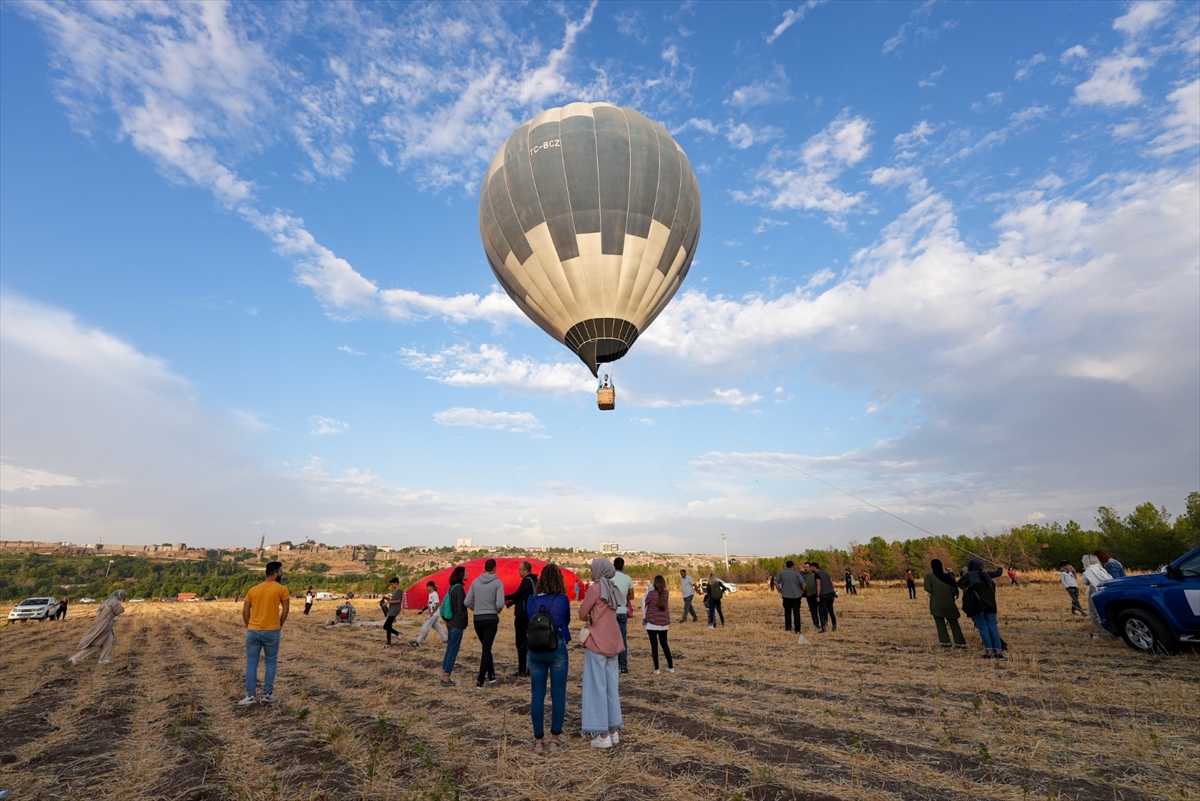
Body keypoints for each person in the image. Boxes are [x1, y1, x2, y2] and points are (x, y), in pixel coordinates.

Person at [526, 563, 571, 754]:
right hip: (556, 648)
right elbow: (566, 621)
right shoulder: (562, 599)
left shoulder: (531, 600)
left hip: (535, 650)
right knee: (558, 695)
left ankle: (538, 741)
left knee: (537, 695)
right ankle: (554, 740)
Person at [579, 558, 624, 748]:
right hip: (614, 642)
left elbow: (582, 613)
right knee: (611, 688)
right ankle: (613, 730)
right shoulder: (613, 588)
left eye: (591, 569)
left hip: (597, 642)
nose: (590, 572)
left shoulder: (596, 588)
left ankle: (602, 734)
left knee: (597, 686)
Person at [239, 561, 290, 704]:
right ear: (275, 573)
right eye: (280, 572)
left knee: (251, 663)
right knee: (271, 661)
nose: (281, 574)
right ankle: (267, 693)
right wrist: (279, 624)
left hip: (253, 630)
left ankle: (250, 695)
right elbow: (285, 610)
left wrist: (248, 625)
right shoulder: (282, 589)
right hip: (272, 631)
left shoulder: (253, 590)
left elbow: (245, 611)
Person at [465, 558, 506, 689]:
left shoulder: (475, 582)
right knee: (486, 648)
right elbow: (500, 603)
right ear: (494, 568)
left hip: (477, 619)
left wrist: (475, 609)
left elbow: (467, 601)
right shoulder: (498, 583)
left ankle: (491, 675)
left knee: (486, 647)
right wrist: (495, 610)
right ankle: (480, 680)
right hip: (491, 619)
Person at [957, 559, 1005, 659]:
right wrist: (1000, 567)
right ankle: (998, 652)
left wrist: (965, 573)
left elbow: (960, 583)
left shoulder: (970, 577)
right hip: (991, 606)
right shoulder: (987, 575)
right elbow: (998, 573)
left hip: (978, 607)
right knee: (993, 628)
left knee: (983, 629)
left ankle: (989, 652)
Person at [69, 589, 125, 664]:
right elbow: (120, 610)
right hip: (104, 625)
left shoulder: (109, 600)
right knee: (97, 643)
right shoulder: (114, 601)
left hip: (104, 624)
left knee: (109, 639)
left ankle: (103, 659)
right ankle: (76, 658)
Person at [504, 561, 538, 677]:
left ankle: (522, 669)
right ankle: (529, 667)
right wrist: (512, 603)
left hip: (522, 616)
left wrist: (504, 597)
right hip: (531, 615)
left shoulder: (527, 581)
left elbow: (518, 594)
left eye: (520, 570)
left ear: (525, 570)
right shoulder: (534, 580)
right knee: (529, 643)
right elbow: (522, 596)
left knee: (521, 643)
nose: (518, 571)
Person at [923, 560, 966, 648]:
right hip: (949, 603)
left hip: (936, 604)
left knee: (940, 624)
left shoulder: (929, 576)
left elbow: (928, 588)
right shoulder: (948, 577)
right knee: (954, 623)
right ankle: (960, 643)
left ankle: (945, 643)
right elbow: (954, 589)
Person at [441, 566, 468, 685]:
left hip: (450, 621)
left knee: (449, 648)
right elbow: (461, 607)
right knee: (453, 649)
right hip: (457, 623)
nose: (467, 574)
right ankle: (446, 677)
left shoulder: (451, 588)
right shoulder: (460, 589)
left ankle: (444, 673)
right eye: (465, 573)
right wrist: (464, 620)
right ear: (461, 575)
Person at [642, 575, 674, 674]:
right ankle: (671, 667)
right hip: (663, 623)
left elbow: (644, 601)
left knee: (654, 646)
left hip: (652, 623)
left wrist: (649, 589)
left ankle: (657, 669)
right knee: (664, 644)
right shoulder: (667, 594)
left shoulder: (651, 594)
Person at [610, 557, 635, 674]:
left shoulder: (609, 578)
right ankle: (623, 666)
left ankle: (611, 664)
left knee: (610, 638)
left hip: (610, 611)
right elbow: (631, 596)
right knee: (623, 639)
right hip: (622, 611)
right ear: (623, 566)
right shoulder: (628, 578)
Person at [1080, 554, 1114, 638]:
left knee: (1094, 613)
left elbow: (1083, 581)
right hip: (1106, 590)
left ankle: (1101, 633)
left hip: (1095, 590)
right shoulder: (1101, 568)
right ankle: (1111, 632)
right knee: (1106, 612)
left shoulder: (1088, 570)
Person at [413, 580, 449, 646]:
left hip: (434, 614)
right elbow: (428, 604)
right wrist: (422, 611)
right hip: (433, 614)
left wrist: (432, 613)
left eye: (428, 587)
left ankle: (418, 642)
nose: (426, 588)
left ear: (431, 587)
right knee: (437, 627)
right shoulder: (430, 595)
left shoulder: (435, 594)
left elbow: (437, 604)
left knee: (425, 627)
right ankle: (446, 639)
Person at [775, 561, 805, 632]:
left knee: (787, 612)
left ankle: (788, 628)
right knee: (796, 613)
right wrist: (802, 591)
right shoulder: (796, 574)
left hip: (786, 597)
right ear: (793, 566)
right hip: (796, 597)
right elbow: (804, 584)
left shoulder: (782, 573)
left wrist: (779, 589)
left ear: (786, 566)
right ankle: (797, 629)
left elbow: (775, 582)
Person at [811, 562, 837, 632]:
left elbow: (818, 585)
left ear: (814, 567)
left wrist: (818, 595)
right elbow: (832, 584)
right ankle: (834, 626)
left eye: (811, 567)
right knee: (831, 611)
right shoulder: (826, 573)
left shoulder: (817, 575)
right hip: (830, 594)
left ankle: (823, 628)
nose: (811, 569)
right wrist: (832, 591)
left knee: (821, 612)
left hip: (823, 595)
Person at [382, 577, 404, 649]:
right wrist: (386, 598)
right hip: (392, 610)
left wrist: (388, 602)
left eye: (392, 584)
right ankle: (388, 642)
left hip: (394, 611)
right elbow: (393, 600)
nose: (391, 586)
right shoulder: (395, 591)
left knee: (385, 626)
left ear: (396, 583)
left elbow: (398, 601)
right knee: (389, 627)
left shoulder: (399, 591)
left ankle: (398, 634)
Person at [802, 563, 821, 629]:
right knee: (813, 611)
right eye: (804, 567)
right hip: (809, 596)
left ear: (811, 567)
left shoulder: (815, 575)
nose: (805, 569)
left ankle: (823, 623)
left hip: (816, 595)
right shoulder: (805, 576)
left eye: (807, 567)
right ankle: (816, 624)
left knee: (821, 610)